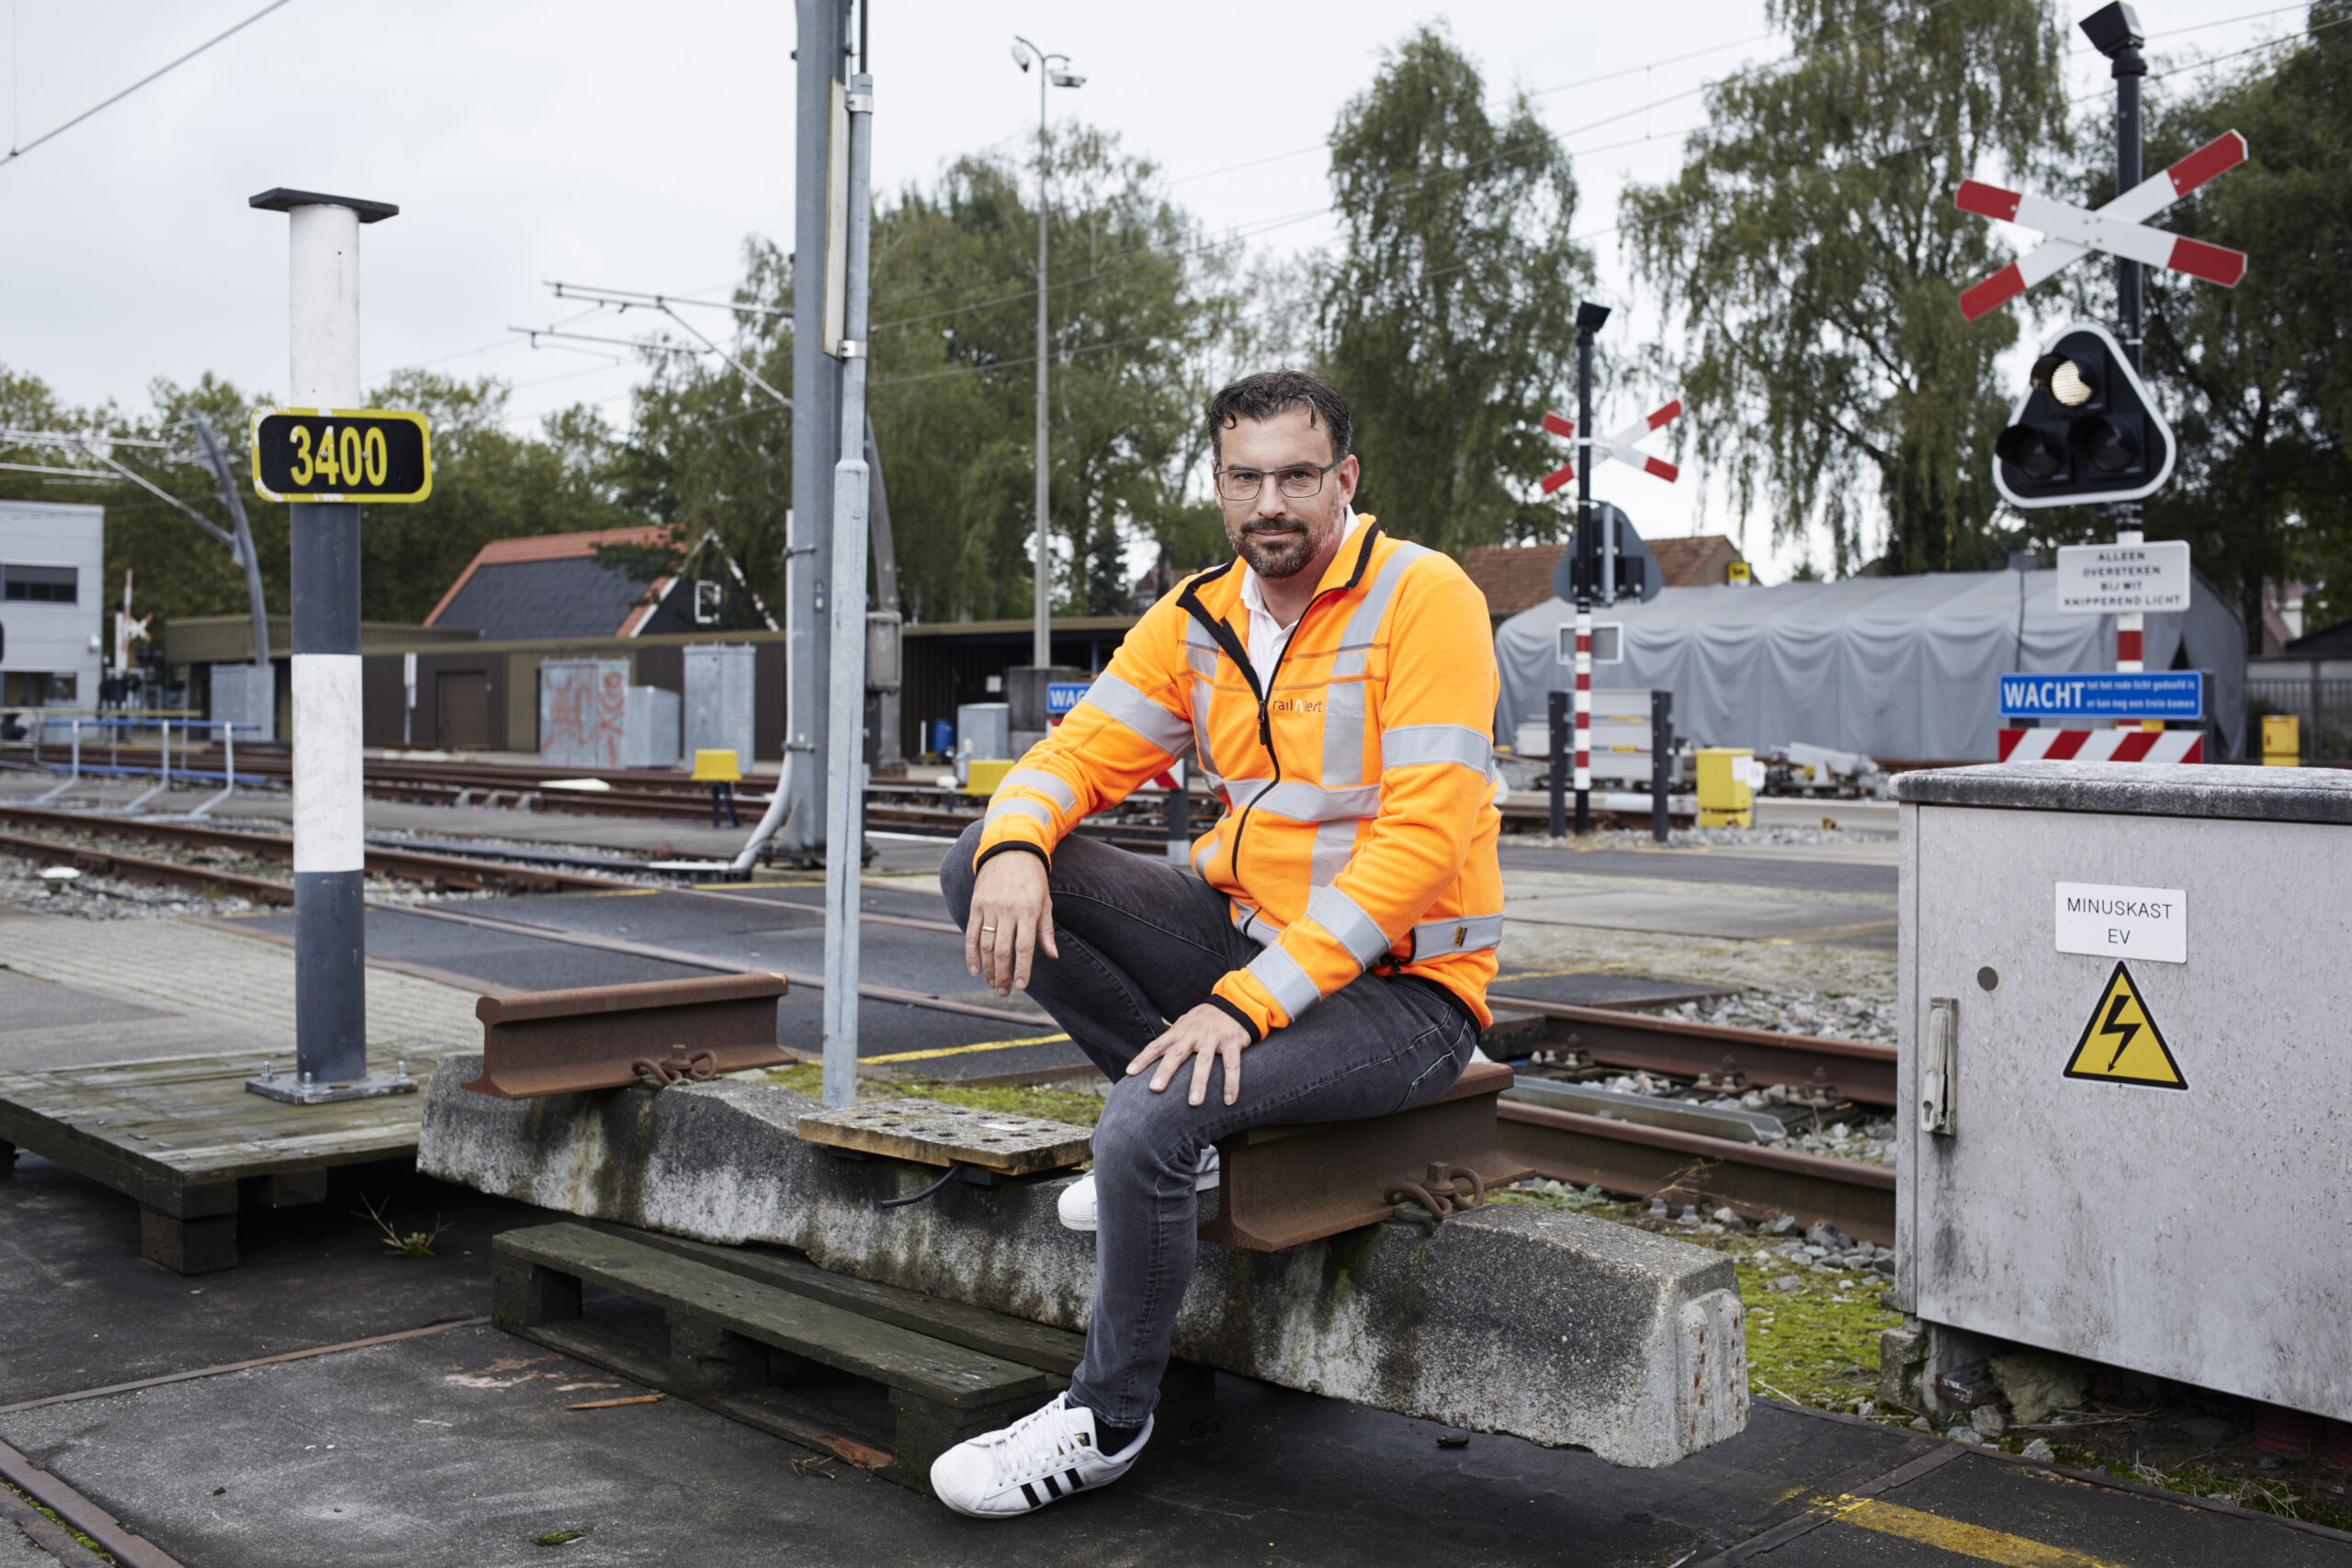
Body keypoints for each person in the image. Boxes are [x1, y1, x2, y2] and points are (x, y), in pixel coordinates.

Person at [932, 369, 1504, 1518]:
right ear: (1218, 485)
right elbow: (1075, 753)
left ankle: (1106, 1421)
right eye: (1245, 479)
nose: (1269, 503)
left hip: (1405, 993)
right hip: (1249, 946)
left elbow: (1422, 841)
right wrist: (1013, 845)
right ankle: (1186, 1151)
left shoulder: (1422, 595)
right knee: (977, 860)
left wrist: (1245, 1006)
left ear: (1344, 479)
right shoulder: (1199, 615)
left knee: (1144, 1117)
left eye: (1296, 476)